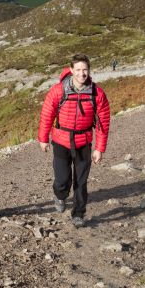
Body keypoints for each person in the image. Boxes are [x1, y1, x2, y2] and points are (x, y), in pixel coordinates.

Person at [38, 54, 111, 228]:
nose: (81, 74)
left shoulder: (97, 93)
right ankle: (60, 195)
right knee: (62, 180)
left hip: (84, 142)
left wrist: (99, 148)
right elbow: (47, 115)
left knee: (81, 181)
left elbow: (103, 123)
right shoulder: (58, 90)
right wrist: (43, 138)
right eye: (78, 69)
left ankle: (78, 213)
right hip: (61, 141)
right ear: (71, 70)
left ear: (89, 71)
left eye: (85, 69)